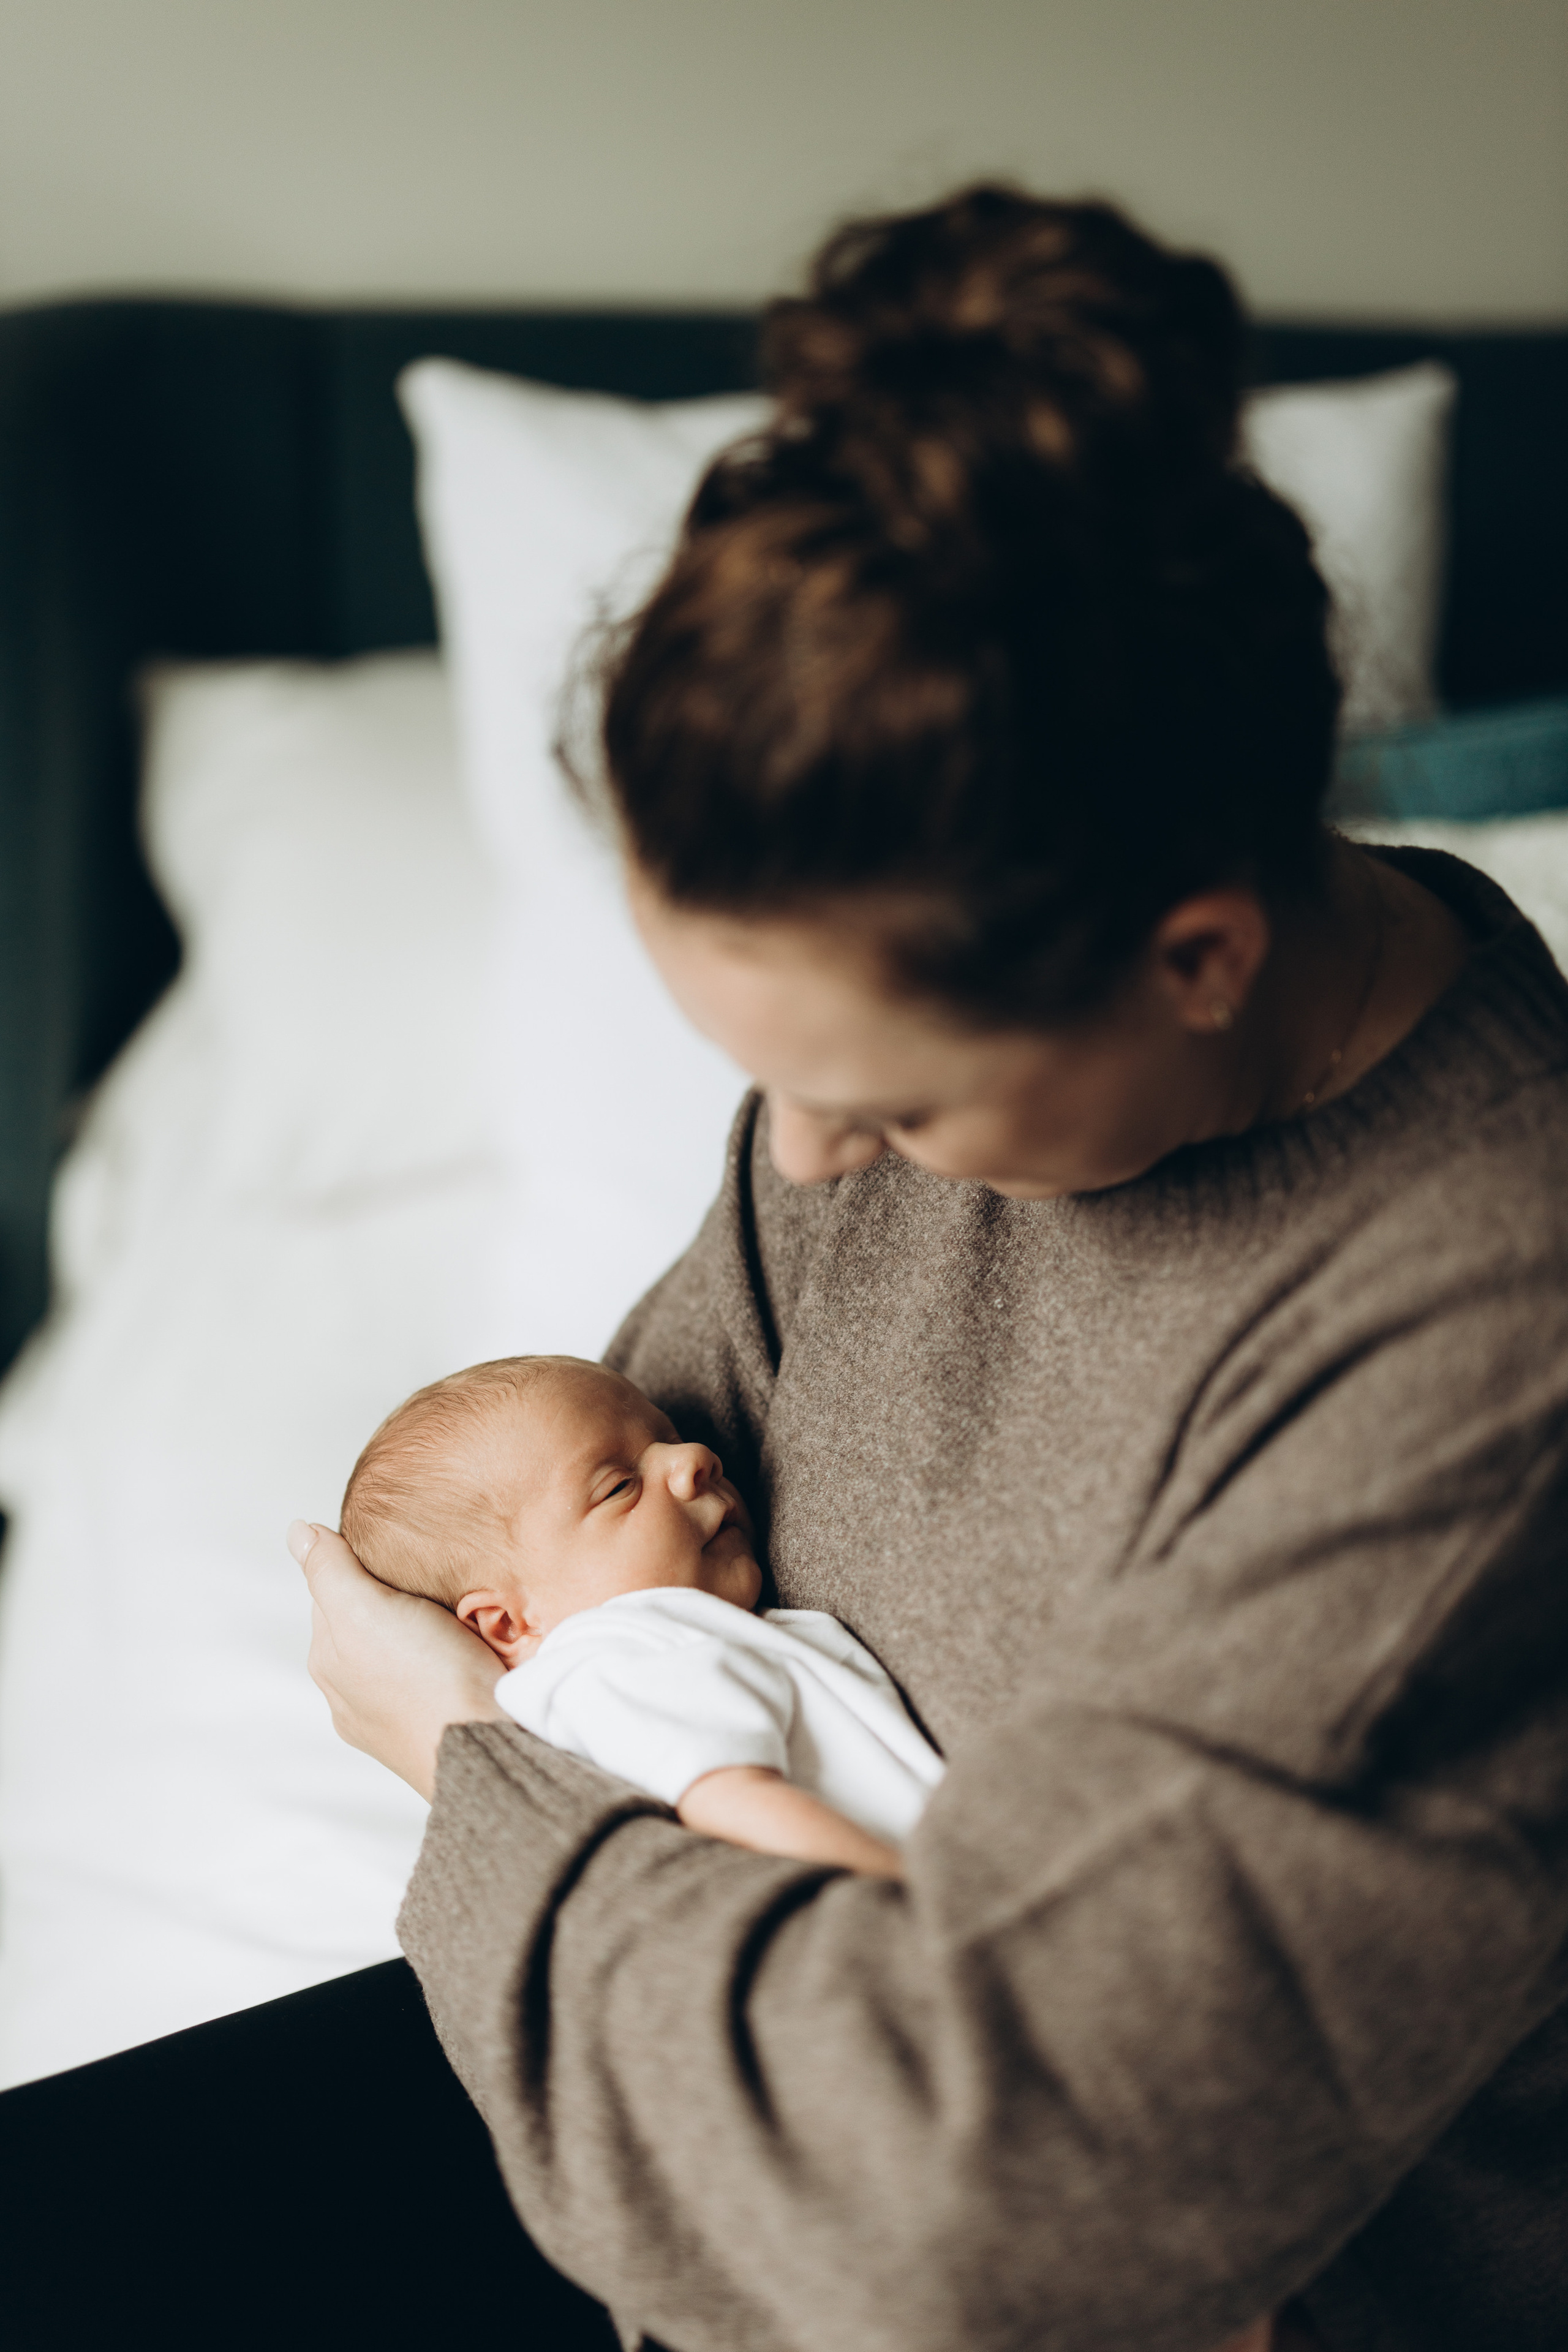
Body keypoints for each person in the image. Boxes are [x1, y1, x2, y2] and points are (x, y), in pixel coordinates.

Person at [5, 184, 1563, 2352]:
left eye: (894, 1105)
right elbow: (603, 1545)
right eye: (766, 1074)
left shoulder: (1475, 1380)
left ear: (1193, 958)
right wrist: (526, 1753)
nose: (809, 1163)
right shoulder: (901, 1055)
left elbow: (969, 2215)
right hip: (723, 2097)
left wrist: (474, 1774)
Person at [331, 1353, 944, 1875]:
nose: (695, 1459)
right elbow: (737, 1809)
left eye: (671, 1439)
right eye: (619, 1486)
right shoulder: (618, 1655)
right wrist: (918, 1905)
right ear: (506, 1626)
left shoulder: (643, 1654)